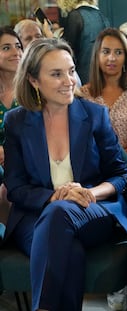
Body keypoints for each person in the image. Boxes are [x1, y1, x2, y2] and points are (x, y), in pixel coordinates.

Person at [4, 37, 127, 311]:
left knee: (60, 213)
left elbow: (121, 175)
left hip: (94, 210)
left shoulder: (95, 114)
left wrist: (89, 191)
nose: (69, 80)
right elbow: (15, 187)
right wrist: (54, 196)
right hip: (38, 215)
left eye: (71, 70)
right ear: (33, 80)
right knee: (69, 249)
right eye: (56, 74)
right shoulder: (16, 122)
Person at [80, 28, 127, 170]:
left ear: (126, 56)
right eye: (106, 51)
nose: (112, 58)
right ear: (97, 55)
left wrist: (119, 155)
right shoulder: (84, 95)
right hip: (96, 174)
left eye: (118, 52)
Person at [0, 27, 23, 229]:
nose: (16, 52)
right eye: (6, 48)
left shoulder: (34, 88)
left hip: (26, 158)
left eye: (18, 46)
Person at [56, 0, 110, 84]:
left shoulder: (75, 16)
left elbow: (65, 51)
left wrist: (49, 35)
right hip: (102, 78)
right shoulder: (102, 16)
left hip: (83, 80)